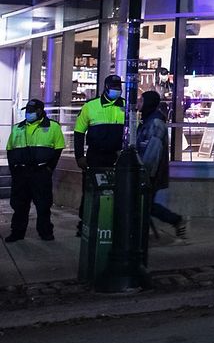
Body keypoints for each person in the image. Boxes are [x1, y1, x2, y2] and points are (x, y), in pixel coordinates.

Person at [5, 98, 65, 241]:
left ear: (40, 111)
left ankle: (45, 232)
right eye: (27, 111)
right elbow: (10, 149)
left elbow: (58, 149)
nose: (28, 113)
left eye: (31, 111)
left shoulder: (53, 127)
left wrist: (49, 168)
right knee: (19, 205)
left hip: (41, 172)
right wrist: (14, 170)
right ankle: (17, 232)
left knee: (43, 205)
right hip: (21, 172)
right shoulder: (18, 127)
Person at [73, 73, 126, 236]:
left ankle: (111, 224)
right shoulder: (91, 106)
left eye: (119, 88)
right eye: (114, 88)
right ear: (106, 88)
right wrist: (79, 156)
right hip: (95, 156)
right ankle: (85, 223)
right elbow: (79, 132)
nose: (117, 91)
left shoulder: (126, 106)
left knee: (116, 192)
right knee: (90, 190)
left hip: (117, 156)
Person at [136, 91, 188, 241]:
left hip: (150, 174)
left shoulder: (155, 123)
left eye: (142, 100)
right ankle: (175, 221)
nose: (139, 103)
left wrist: (144, 173)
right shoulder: (147, 121)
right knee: (145, 205)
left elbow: (152, 152)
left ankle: (176, 220)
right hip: (148, 173)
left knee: (146, 205)